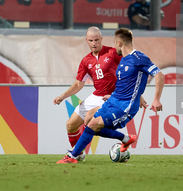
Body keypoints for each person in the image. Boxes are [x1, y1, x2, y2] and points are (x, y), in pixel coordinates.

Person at [57, 28, 165, 164]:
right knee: (89, 122)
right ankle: (125, 139)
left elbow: (159, 75)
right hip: (112, 99)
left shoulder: (138, 58)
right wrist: (113, 95)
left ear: (119, 43)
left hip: (125, 105)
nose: (113, 45)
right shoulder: (123, 60)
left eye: (114, 42)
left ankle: (72, 157)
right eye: (91, 40)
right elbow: (124, 83)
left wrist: (155, 99)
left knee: (93, 124)